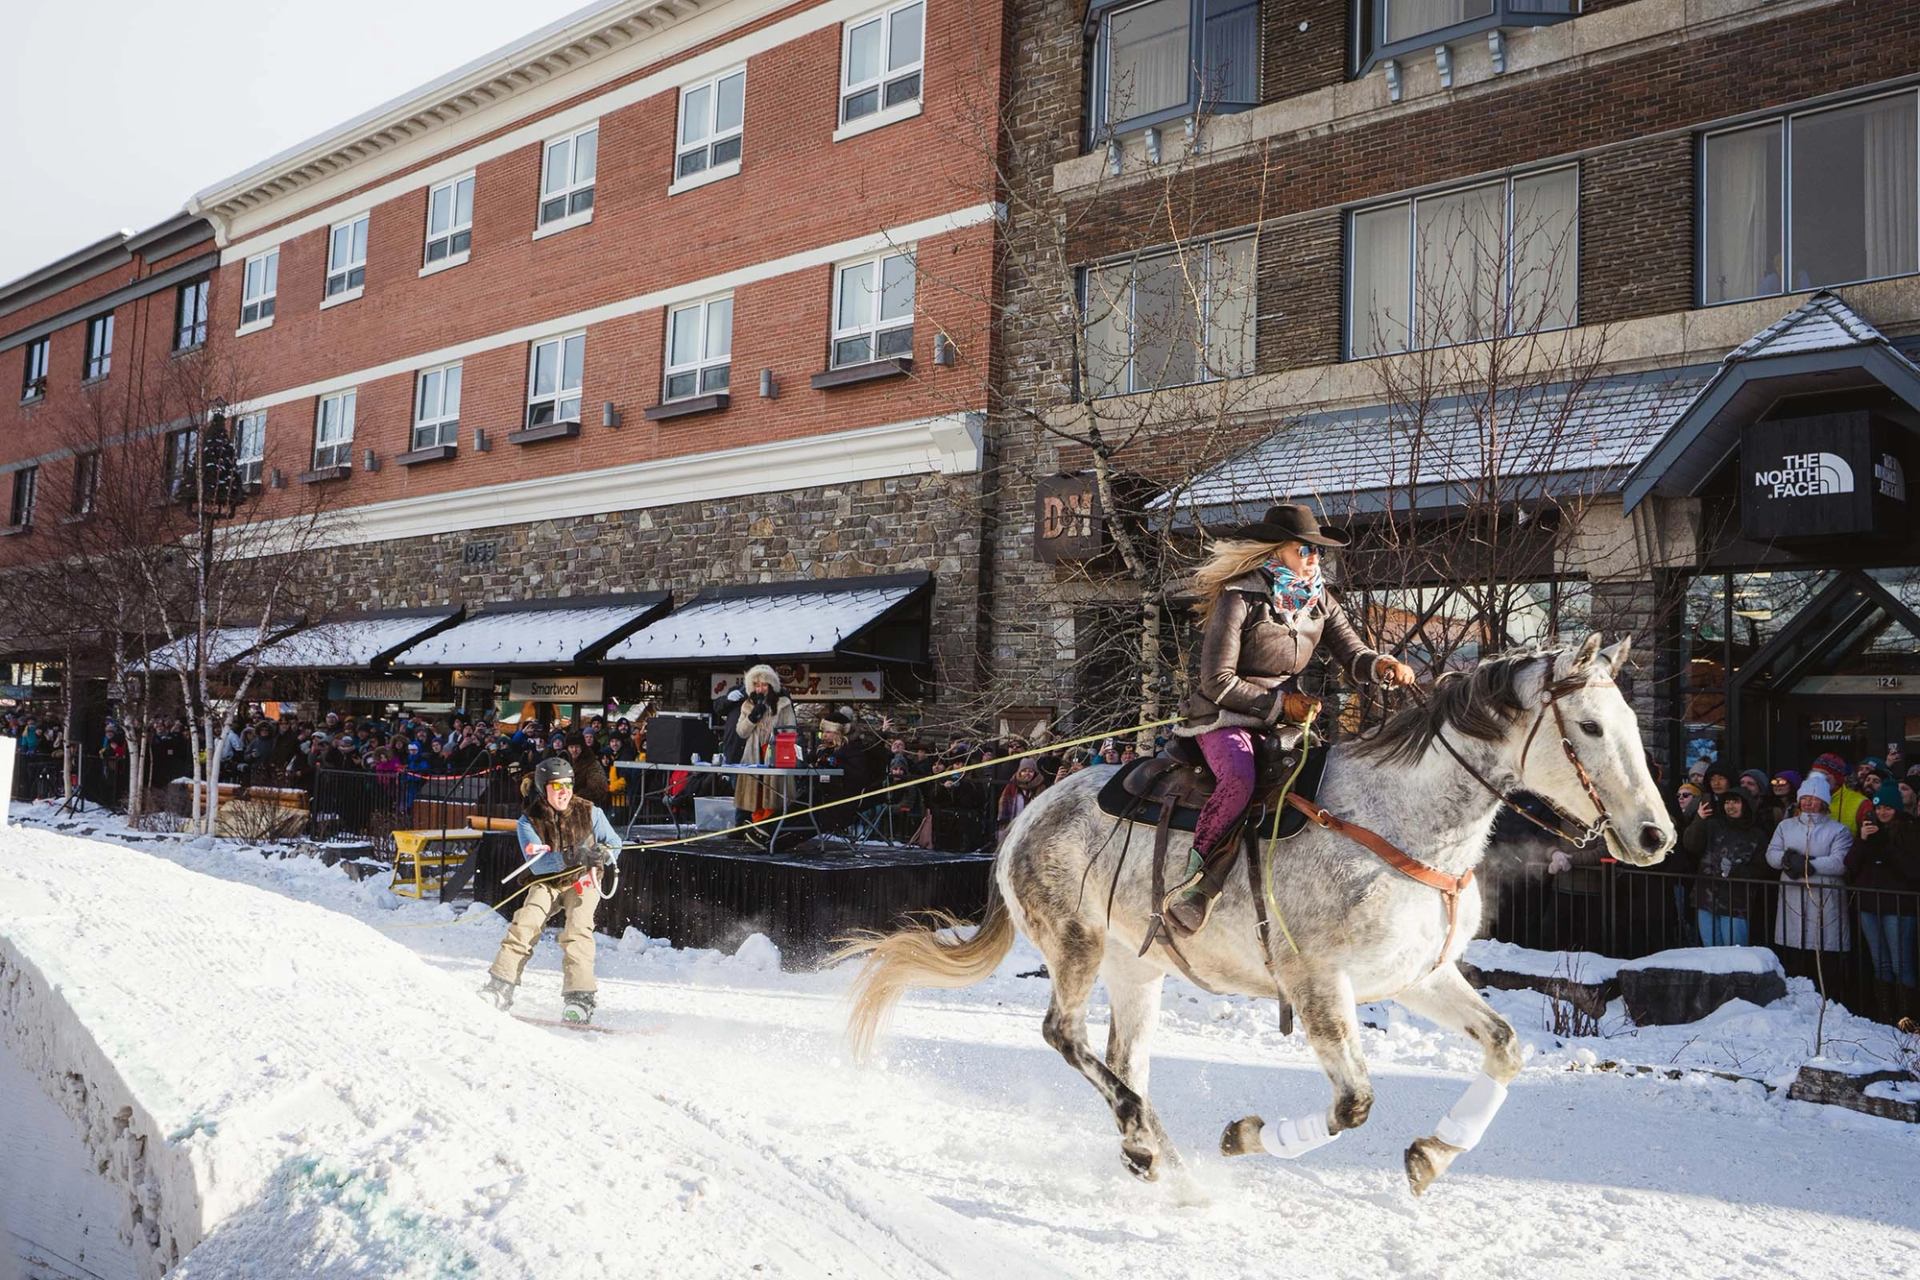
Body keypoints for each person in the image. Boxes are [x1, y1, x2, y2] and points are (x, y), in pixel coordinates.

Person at [1164, 502, 1416, 936]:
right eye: (1305, 549)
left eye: (1318, 551)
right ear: (1277, 550)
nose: (1314, 558)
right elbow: (1215, 680)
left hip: (1285, 724)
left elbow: (1352, 654)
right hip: (1224, 717)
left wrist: (1380, 665)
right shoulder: (1239, 596)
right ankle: (1196, 883)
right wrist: (1282, 706)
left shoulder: (1320, 601)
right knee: (1240, 779)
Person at [480, 757, 622, 1023]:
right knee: (525, 923)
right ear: (543, 788)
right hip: (548, 879)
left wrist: (603, 853)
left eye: (568, 785)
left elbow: (614, 842)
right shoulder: (528, 821)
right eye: (557, 786)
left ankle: (580, 998)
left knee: (578, 930)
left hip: (583, 878)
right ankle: (500, 986)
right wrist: (572, 856)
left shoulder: (590, 811)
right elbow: (539, 864)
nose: (564, 792)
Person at [1765, 773, 1854, 987]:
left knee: (1823, 952)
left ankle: (1827, 998)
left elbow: (1839, 862)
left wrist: (1807, 865)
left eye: (1813, 799)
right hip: (1792, 897)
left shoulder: (1838, 830)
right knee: (1794, 951)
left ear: (1823, 802)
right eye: (1804, 798)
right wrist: (1786, 860)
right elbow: (1771, 853)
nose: (1808, 803)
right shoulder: (1785, 826)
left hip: (1825, 898)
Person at [1848, 782, 1920, 1018]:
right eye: (1879, 808)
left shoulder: (1910, 831)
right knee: (1880, 963)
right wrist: (1861, 840)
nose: (1882, 813)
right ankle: (1886, 1016)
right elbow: (1850, 865)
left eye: (1888, 808)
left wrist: (1885, 846)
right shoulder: (1868, 829)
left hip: (1898, 906)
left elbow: (1911, 870)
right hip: (1869, 904)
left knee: (1901, 964)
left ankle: (1907, 1018)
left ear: (1897, 808)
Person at [1682, 787, 1767, 945]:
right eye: (1727, 802)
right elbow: (1691, 845)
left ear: (1746, 804)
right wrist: (1699, 819)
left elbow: (1762, 869)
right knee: (1711, 950)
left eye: (1735, 802)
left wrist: (1737, 871)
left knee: (1735, 950)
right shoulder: (1713, 825)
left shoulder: (1757, 834)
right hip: (1706, 897)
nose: (1730, 806)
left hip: (1736, 901)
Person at [732, 663, 797, 832]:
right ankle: (756, 825)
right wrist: (753, 717)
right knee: (756, 794)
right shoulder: (747, 705)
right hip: (754, 754)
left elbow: (791, 729)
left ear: (771, 685)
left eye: (764, 684)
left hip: (776, 753)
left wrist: (777, 742)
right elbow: (741, 732)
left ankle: (769, 828)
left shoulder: (783, 703)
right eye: (757, 685)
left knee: (774, 795)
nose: (760, 688)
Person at [1809, 752, 1869, 834]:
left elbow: (1868, 842)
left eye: (1823, 774)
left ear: (1837, 778)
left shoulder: (1861, 803)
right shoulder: (1804, 800)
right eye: (1814, 773)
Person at [995, 761, 1046, 841]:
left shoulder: (1041, 788)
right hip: (1013, 827)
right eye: (1024, 771)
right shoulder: (1011, 787)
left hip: (1032, 827)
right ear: (1019, 772)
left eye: (1030, 771)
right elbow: (1004, 805)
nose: (1027, 773)